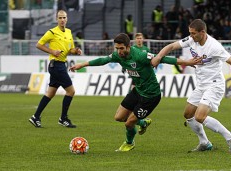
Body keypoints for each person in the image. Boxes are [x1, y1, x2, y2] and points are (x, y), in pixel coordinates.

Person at [70, 33, 202, 151]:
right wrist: (82, 65)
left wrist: (186, 62)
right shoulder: (118, 55)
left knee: (129, 123)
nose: (119, 51)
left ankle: (129, 143)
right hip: (137, 90)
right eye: (117, 48)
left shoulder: (140, 55)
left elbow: (163, 59)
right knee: (119, 117)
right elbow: (103, 60)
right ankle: (143, 122)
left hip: (151, 95)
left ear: (128, 46)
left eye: (121, 48)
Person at [152, 19, 231, 153]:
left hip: (214, 85)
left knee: (199, 117)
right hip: (201, 85)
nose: (191, 36)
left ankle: (230, 136)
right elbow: (171, 46)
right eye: (190, 33)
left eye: (194, 33)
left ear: (203, 32)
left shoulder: (214, 46)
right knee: (188, 114)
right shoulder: (191, 40)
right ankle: (204, 142)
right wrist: (158, 57)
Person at [29, 10, 82, 128]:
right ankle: (63, 119)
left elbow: (70, 49)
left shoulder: (68, 32)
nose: (62, 20)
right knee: (71, 91)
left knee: (50, 93)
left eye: (64, 17)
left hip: (61, 65)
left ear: (67, 19)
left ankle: (35, 117)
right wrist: (52, 51)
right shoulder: (52, 32)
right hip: (56, 65)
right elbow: (39, 44)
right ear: (57, 19)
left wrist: (76, 51)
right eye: (60, 18)